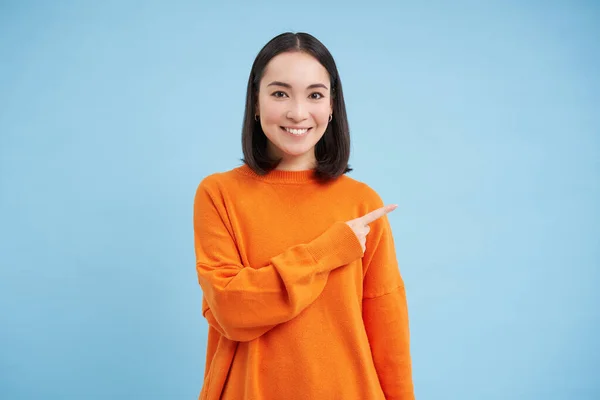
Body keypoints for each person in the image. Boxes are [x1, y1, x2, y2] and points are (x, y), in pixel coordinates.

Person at [193, 32, 415, 400]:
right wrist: (326, 252)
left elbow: (389, 333)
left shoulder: (362, 203)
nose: (298, 112)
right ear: (255, 102)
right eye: (280, 93)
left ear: (332, 106)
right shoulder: (219, 194)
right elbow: (232, 309)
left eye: (315, 94)